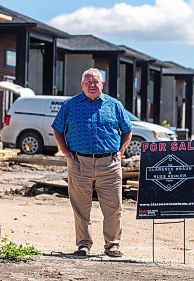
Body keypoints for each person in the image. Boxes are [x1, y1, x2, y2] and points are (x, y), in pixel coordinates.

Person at [51, 68, 133, 257]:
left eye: (95, 82)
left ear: (102, 84)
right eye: (88, 82)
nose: (92, 85)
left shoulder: (114, 105)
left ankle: (112, 244)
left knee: (113, 207)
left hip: (109, 163)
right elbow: (57, 129)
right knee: (80, 207)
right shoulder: (70, 105)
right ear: (82, 85)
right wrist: (65, 151)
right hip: (79, 162)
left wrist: (121, 152)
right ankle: (83, 245)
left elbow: (127, 130)